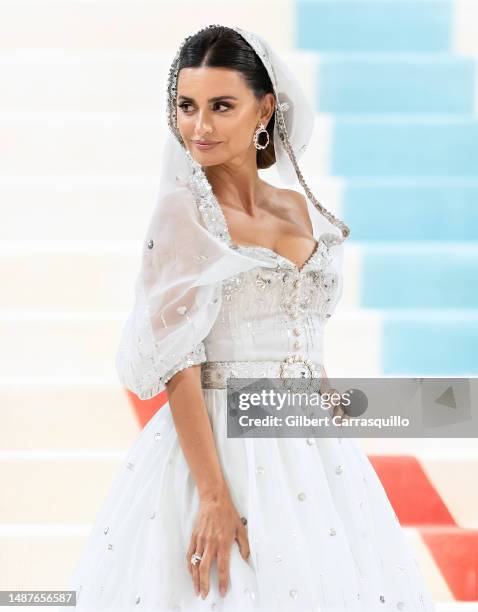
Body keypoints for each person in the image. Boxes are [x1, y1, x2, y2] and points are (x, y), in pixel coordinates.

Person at [62, 24, 436, 611]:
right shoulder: (184, 217)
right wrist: (212, 494)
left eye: (221, 106)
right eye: (186, 107)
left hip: (312, 445)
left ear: (264, 109)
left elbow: (300, 330)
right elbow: (180, 361)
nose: (200, 127)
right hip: (222, 445)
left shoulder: (299, 208)